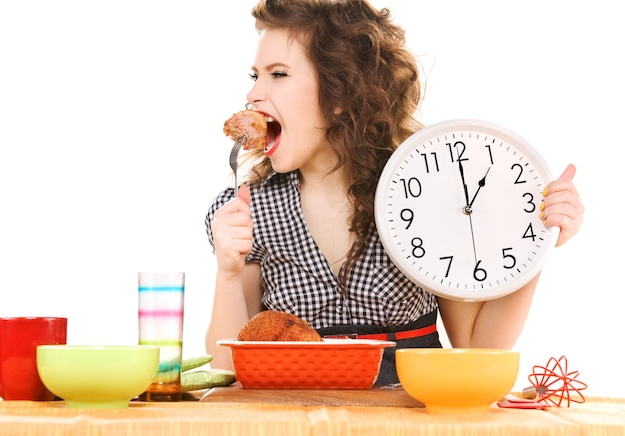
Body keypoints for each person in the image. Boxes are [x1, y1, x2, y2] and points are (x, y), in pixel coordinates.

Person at [204, 0, 584, 385]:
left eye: (278, 74)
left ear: (340, 93)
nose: (253, 93)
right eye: (255, 75)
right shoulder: (250, 210)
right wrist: (228, 273)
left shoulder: (422, 191)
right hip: (296, 415)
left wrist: (537, 241)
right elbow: (226, 370)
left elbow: (478, 344)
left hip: (406, 414)